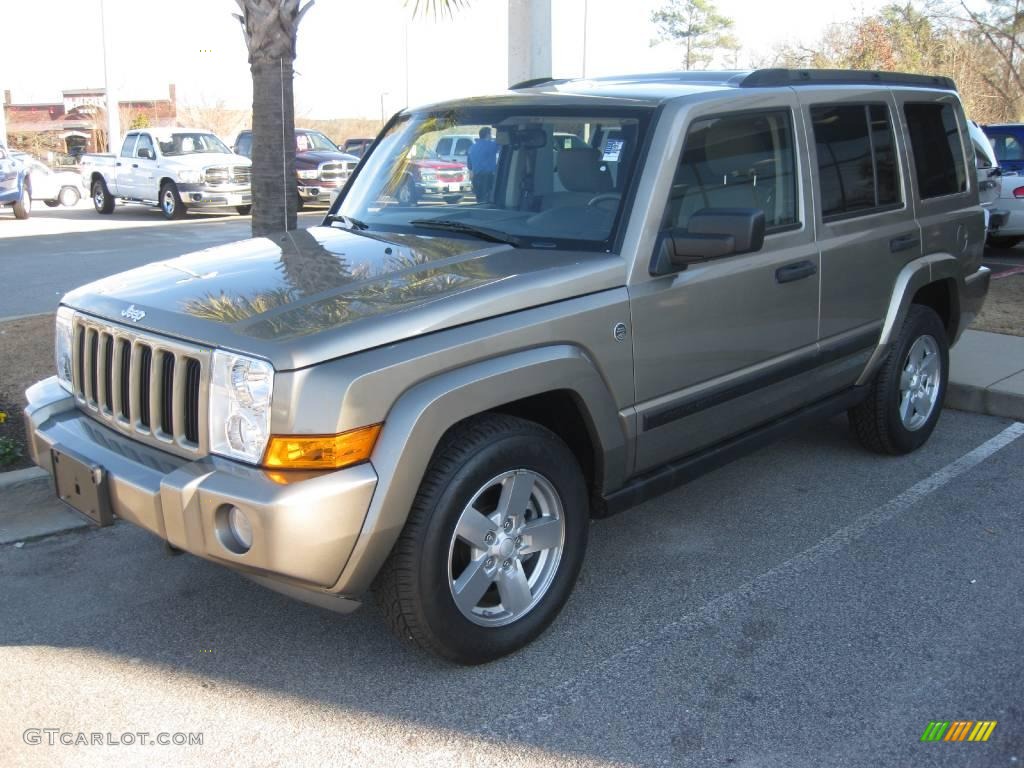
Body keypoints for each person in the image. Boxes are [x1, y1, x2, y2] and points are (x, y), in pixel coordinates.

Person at [466, 127, 499, 204]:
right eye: (490, 134)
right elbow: (505, 148)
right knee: (489, 202)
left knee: (479, 201)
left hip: (476, 177)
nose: (491, 136)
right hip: (488, 178)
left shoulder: (472, 147)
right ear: (487, 135)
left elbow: (469, 166)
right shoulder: (492, 145)